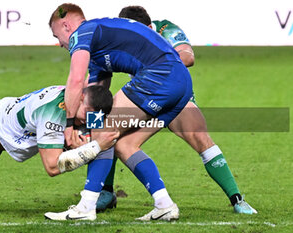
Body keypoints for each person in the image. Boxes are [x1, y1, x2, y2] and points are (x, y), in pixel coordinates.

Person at [96, 5, 257, 216]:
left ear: (148, 27)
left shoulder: (165, 30)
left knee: (201, 140)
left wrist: (153, 68)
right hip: (144, 100)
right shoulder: (121, 38)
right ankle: (106, 193)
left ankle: (237, 199)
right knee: (112, 132)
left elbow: (188, 57)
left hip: (174, 98)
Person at [45, 3, 193, 222]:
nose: (59, 43)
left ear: (66, 25)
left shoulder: (81, 34)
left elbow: (75, 80)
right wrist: (86, 129)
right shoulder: (97, 47)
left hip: (160, 76)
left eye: (56, 35)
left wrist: (68, 126)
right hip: (181, 85)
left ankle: (86, 207)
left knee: (104, 132)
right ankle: (164, 205)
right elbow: (97, 98)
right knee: (124, 144)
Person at [0, 85, 118, 231]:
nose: (85, 122)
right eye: (85, 115)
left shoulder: (71, 91)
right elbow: (52, 167)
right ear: (80, 98)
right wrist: (95, 147)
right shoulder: (53, 113)